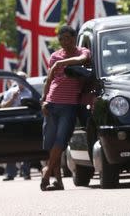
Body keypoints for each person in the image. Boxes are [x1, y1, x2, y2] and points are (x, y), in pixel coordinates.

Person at [40, 25, 91, 191]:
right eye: (61, 39)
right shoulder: (54, 56)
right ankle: (58, 181)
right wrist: (44, 100)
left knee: (61, 141)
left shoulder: (82, 51)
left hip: (69, 106)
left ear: (74, 38)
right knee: (52, 142)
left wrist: (61, 63)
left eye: (67, 38)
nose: (64, 42)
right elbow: (49, 80)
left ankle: (47, 172)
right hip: (51, 103)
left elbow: (82, 60)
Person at [0, 71, 32, 181]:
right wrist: (12, 99)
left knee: (26, 148)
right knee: (11, 147)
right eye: (19, 79)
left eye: (23, 79)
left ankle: (26, 172)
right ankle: (10, 173)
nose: (21, 81)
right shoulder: (10, 92)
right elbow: (3, 106)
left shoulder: (29, 92)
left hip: (25, 122)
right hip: (12, 123)